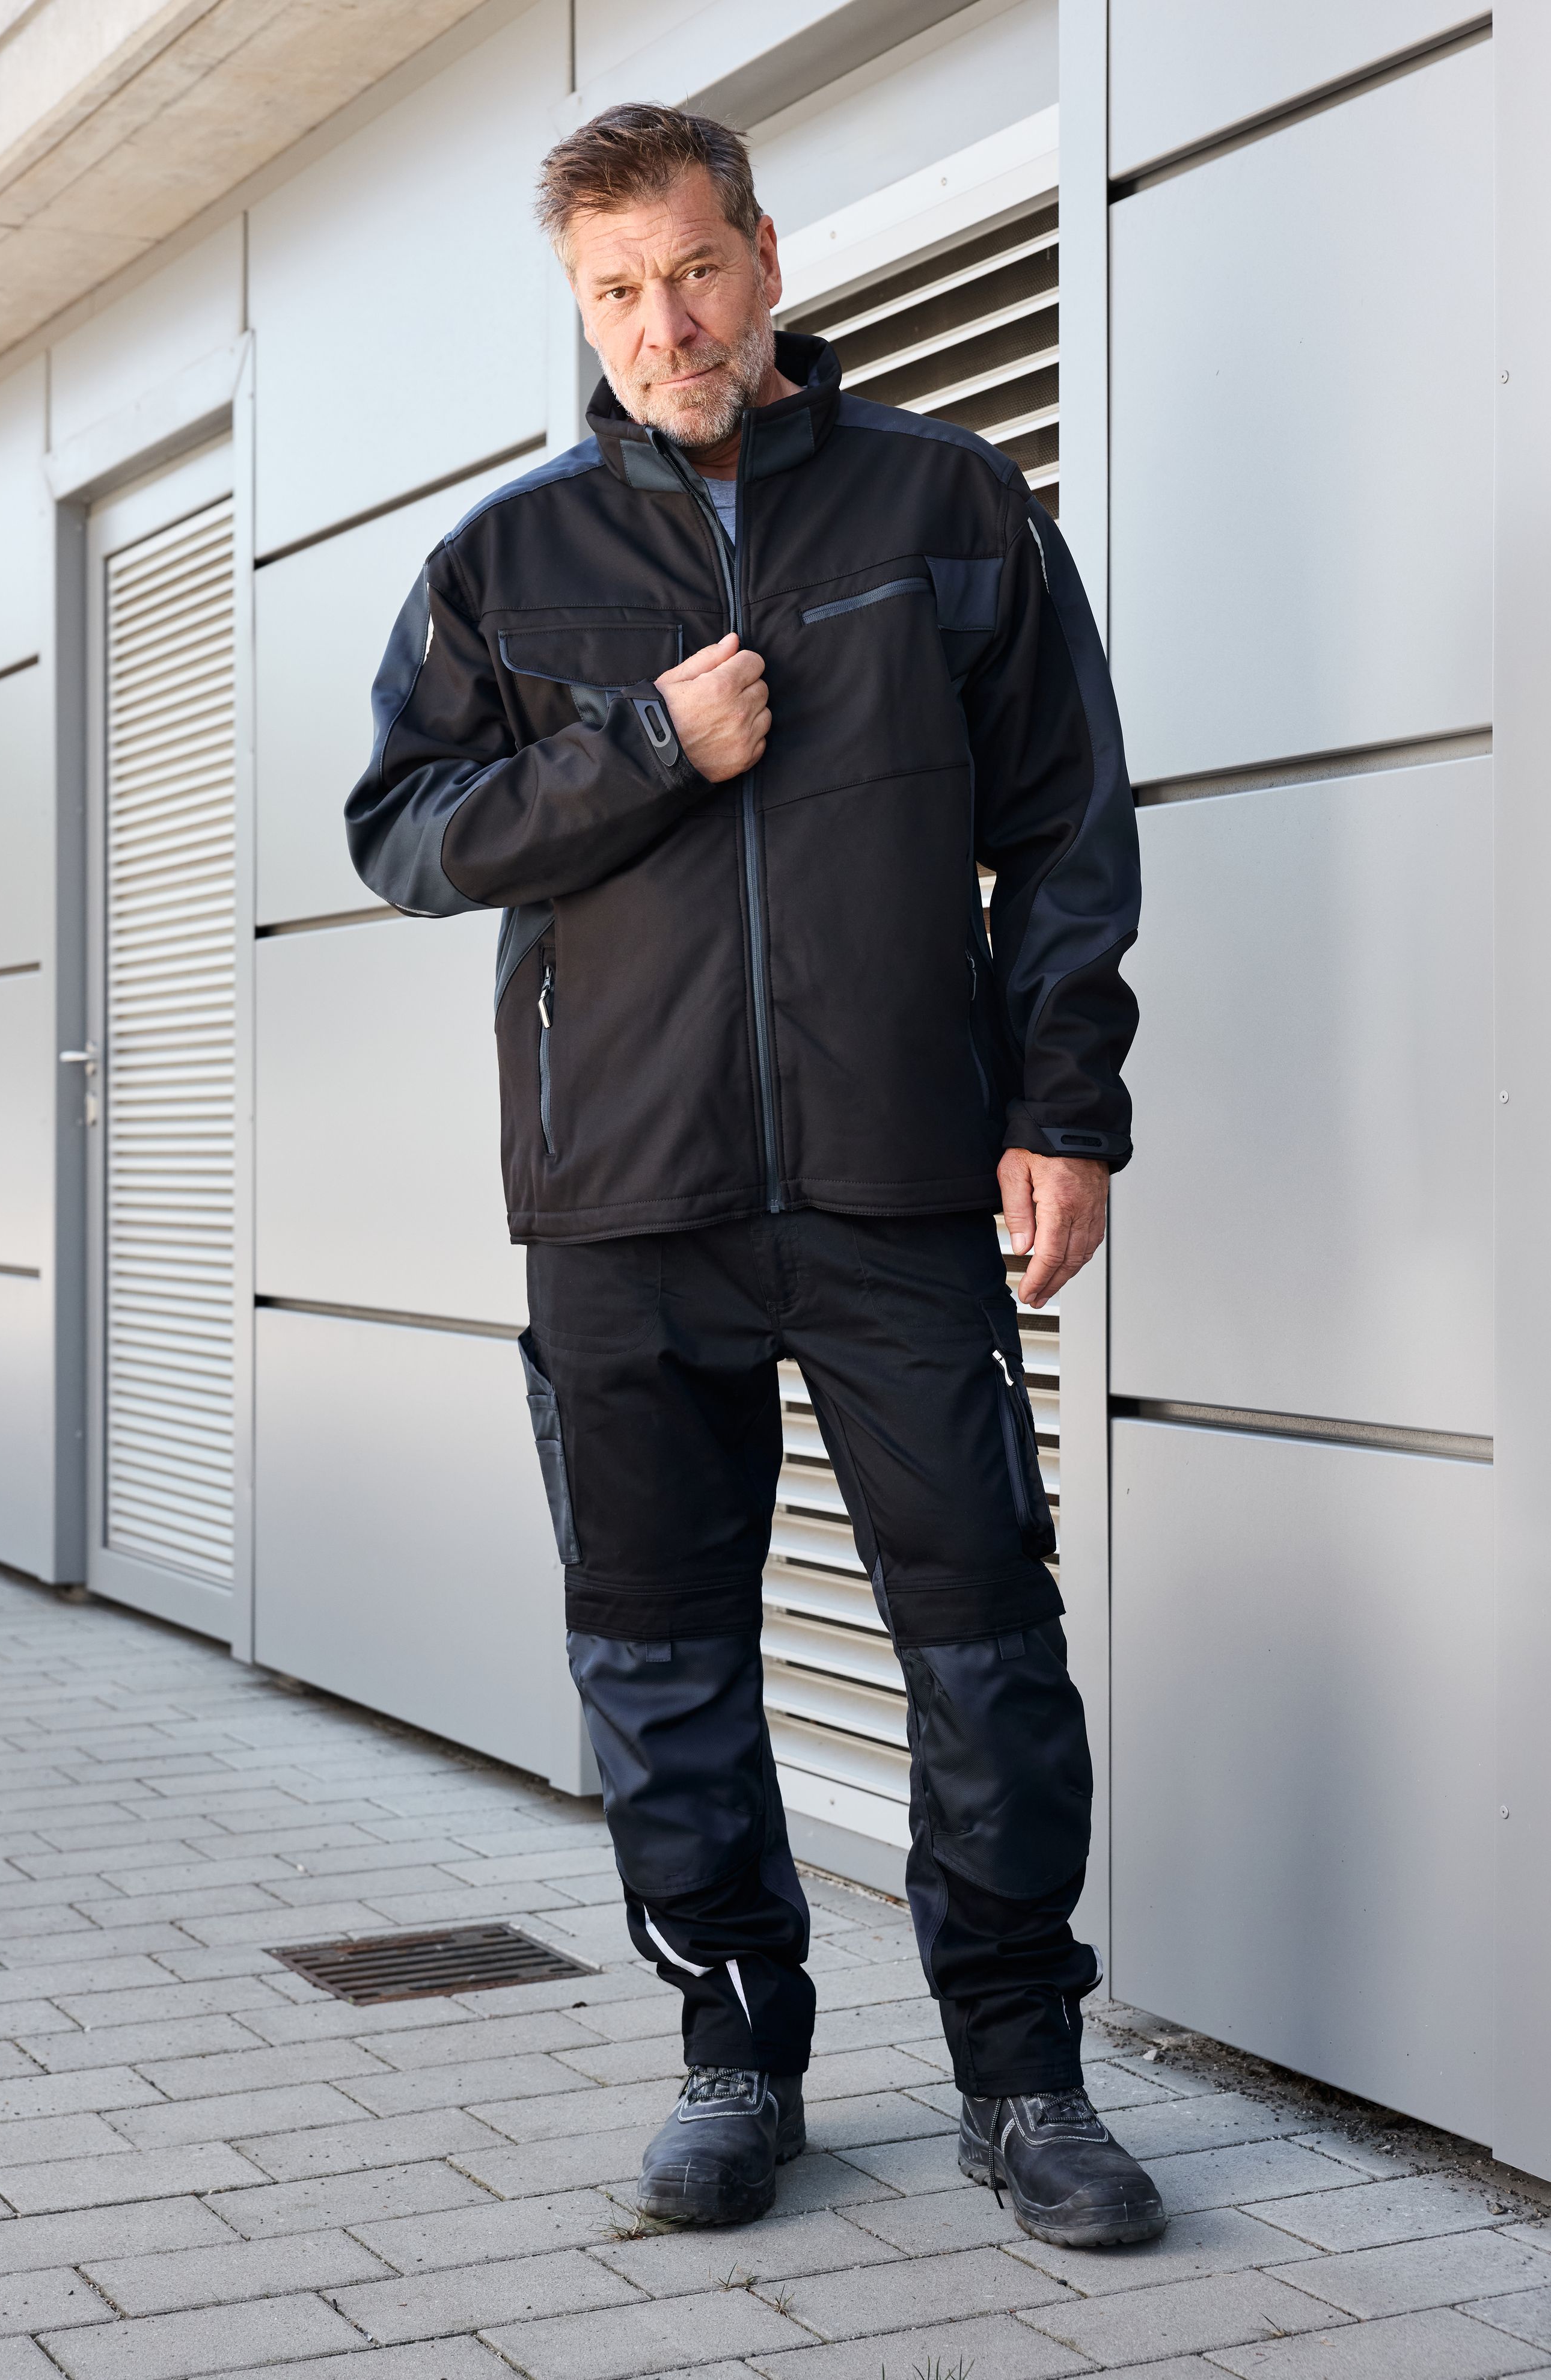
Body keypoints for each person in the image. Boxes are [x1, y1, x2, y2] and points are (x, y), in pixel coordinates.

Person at [346, 102, 1158, 2248]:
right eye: (616, 291)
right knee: (662, 1653)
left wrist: (1064, 1108)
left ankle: (1024, 2075)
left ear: (768, 259)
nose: (664, 324)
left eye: (694, 271)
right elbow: (405, 837)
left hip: (900, 1185)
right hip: (623, 1198)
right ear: (582, 304)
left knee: (984, 1642)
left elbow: (1066, 831)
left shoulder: (950, 503)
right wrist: (644, 745)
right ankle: (734, 2053)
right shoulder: (505, 563)